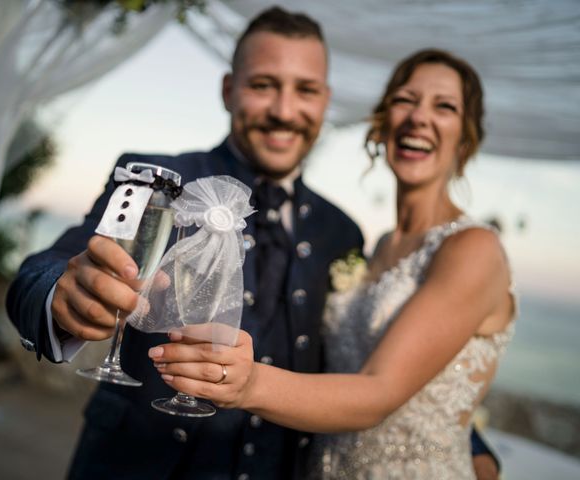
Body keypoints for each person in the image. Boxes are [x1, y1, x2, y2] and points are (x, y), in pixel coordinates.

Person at [6, 5, 498, 478]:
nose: (284, 111)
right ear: (228, 90)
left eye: (304, 90)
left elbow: (370, 354)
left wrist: (463, 443)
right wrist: (59, 294)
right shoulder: (157, 181)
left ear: (324, 101)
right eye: (264, 86)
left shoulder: (340, 232)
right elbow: (45, 268)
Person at [150, 48, 515, 479]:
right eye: (405, 99)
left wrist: (249, 384)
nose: (419, 117)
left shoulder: (474, 249)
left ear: (466, 137)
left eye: (445, 106)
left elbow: (382, 390)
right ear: (382, 122)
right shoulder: (366, 246)